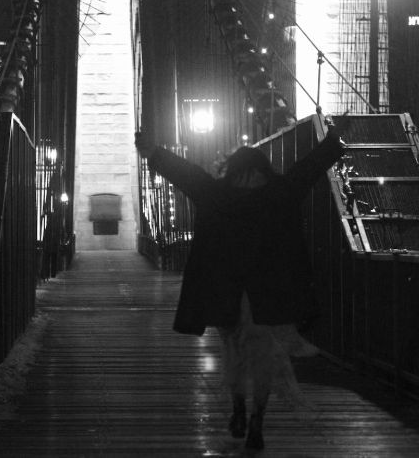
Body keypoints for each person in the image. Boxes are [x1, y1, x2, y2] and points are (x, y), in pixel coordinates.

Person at [135, 124, 346, 450]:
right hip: (268, 295)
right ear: (263, 169)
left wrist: (154, 152)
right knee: (262, 356)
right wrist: (333, 141)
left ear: (232, 170)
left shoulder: (214, 193)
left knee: (233, 351)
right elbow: (309, 168)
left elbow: (185, 173)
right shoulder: (281, 192)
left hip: (225, 294)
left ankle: (237, 409)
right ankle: (257, 419)